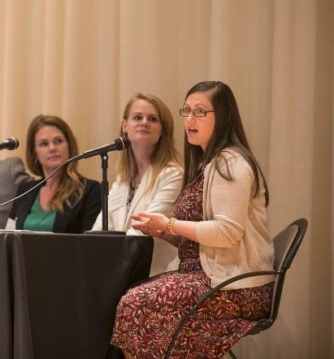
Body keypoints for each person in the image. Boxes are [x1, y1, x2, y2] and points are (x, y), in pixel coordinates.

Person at [110, 81, 274, 358]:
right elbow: (198, 237)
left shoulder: (230, 163)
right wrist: (161, 230)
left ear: (222, 117)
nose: (190, 119)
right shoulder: (207, 164)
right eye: (186, 111)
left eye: (200, 111)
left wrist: (168, 224)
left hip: (234, 285)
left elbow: (226, 232)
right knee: (132, 296)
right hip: (208, 276)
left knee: (136, 302)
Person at [91, 93, 183, 275]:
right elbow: (99, 229)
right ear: (125, 126)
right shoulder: (121, 181)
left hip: (155, 273)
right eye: (137, 117)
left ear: (163, 130)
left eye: (153, 119)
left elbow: (145, 230)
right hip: (120, 269)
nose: (144, 122)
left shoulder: (172, 174)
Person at [7, 114, 101, 233]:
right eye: (44, 144)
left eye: (58, 141)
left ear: (69, 146)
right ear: (35, 153)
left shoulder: (90, 190)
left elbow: (91, 244)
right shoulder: (25, 190)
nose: (52, 148)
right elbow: (10, 236)